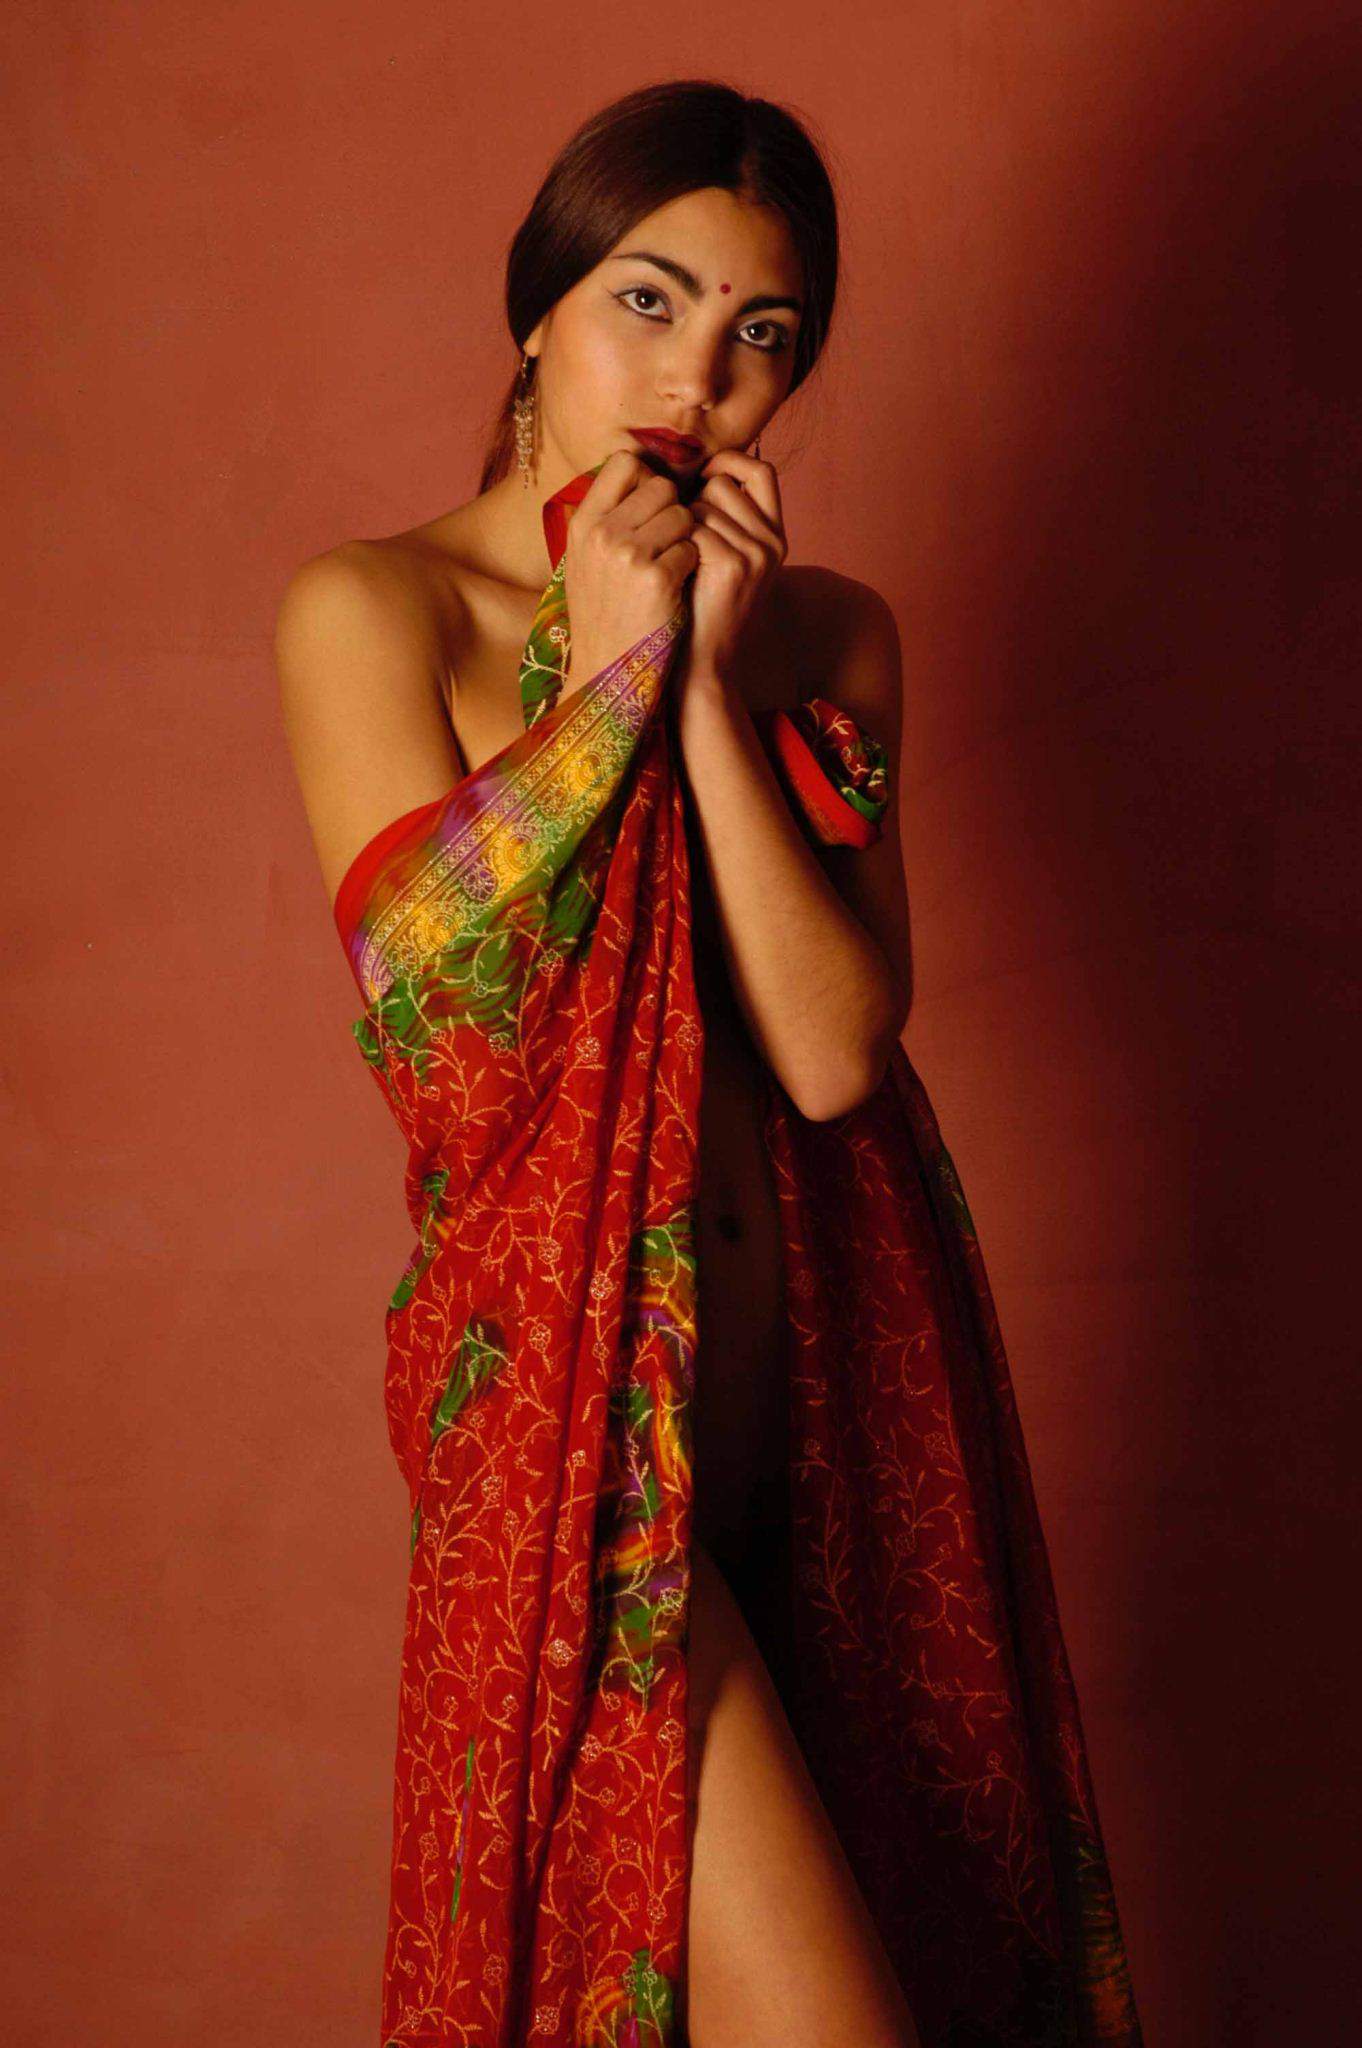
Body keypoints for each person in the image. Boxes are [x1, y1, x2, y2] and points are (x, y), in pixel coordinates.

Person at [275, 78, 1142, 2048]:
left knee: (941, 1950)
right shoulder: (374, 607)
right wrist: (598, 681)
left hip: (844, 1396)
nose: (697, 379)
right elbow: (454, 1054)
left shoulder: (825, 636)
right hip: (575, 1434)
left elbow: (833, 1054)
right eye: (647, 303)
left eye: (763, 332)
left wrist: (698, 689)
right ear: (538, 313)